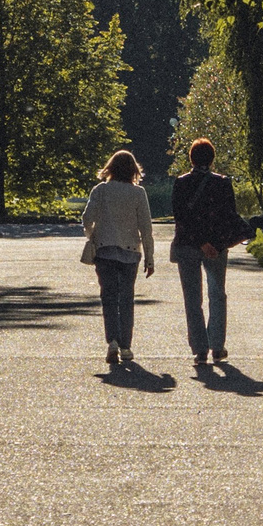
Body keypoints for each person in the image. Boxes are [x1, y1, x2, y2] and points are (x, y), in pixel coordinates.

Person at [170, 138, 249, 365]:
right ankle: (217, 345)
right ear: (212, 158)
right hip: (216, 248)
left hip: (188, 246)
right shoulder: (222, 183)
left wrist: (199, 241)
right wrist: (213, 242)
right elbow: (229, 217)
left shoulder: (181, 183)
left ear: (191, 158)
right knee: (217, 295)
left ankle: (199, 348)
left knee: (192, 299)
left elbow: (180, 217)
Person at [80, 149, 155, 368]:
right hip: (130, 252)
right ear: (133, 170)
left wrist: (91, 234)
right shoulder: (138, 193)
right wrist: (150, 258)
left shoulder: (100, 190)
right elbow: (146, 228)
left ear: (110, 168)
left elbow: (87, 217)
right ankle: (126, 346)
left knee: (109, 297)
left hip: (104, 250)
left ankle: (112, 341)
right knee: (126, 299)